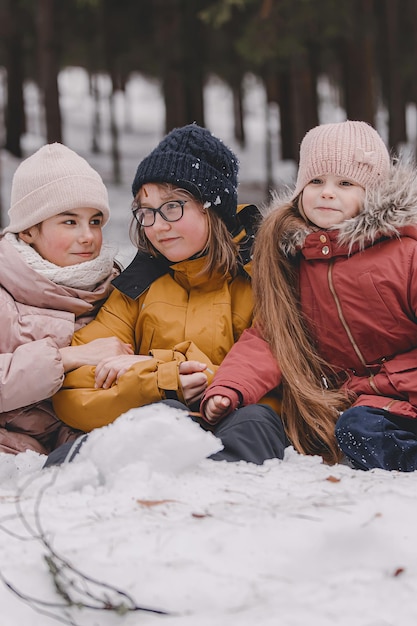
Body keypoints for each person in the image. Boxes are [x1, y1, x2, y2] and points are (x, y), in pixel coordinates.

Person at [48, 124, 286, 466]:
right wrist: (163, 380)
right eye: (146, 211)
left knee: (255, 422)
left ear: (212, 207)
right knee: (149, 421)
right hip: (158, 423)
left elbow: (277, 374)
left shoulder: (261, 281)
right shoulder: (136, 288)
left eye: (173, 206)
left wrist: (156, 366)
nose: (158, 225)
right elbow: (72, 391)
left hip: (242, 424)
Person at [201, 119, 417, 472]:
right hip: (369, 405)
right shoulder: (294, 262)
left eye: (345, 183)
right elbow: (272, 337)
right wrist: (230, 387)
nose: (327, 192)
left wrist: (392, 379)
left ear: (374, 193)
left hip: (407, 385)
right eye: (316, 181)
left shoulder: (404, 255)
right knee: (354, 430)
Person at [0, 143, 133, 455]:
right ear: (28, 231)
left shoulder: (118, 290)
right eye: (70, 221)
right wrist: (68, 358)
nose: (88, 236)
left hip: (85, 451)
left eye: (95, 221)